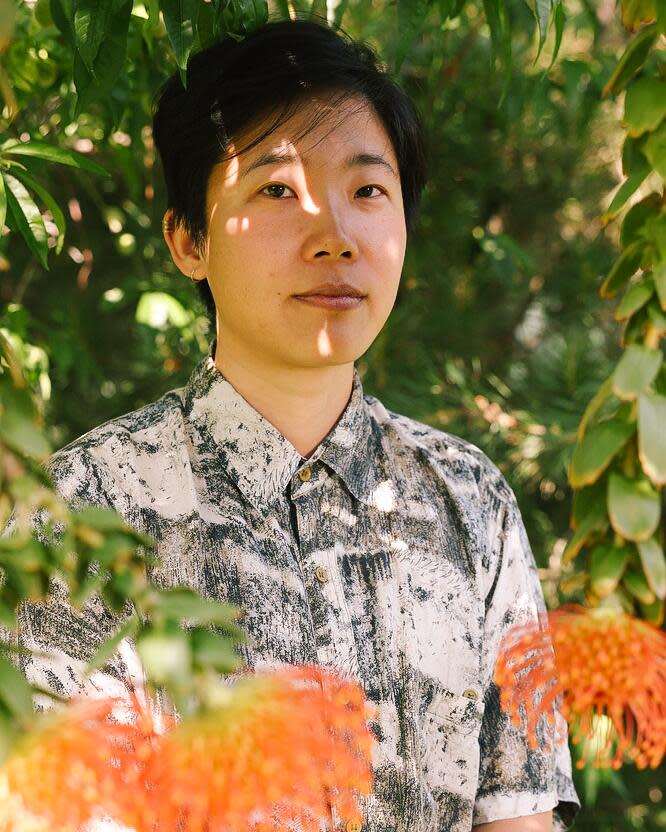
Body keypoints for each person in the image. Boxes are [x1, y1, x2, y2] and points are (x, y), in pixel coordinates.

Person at [17, 17, 580, 832]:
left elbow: (519, 816)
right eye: (277, 189)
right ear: (188, 239)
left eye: (367, 191)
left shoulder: (469, 501)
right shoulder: (80, 512)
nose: (335, 235)